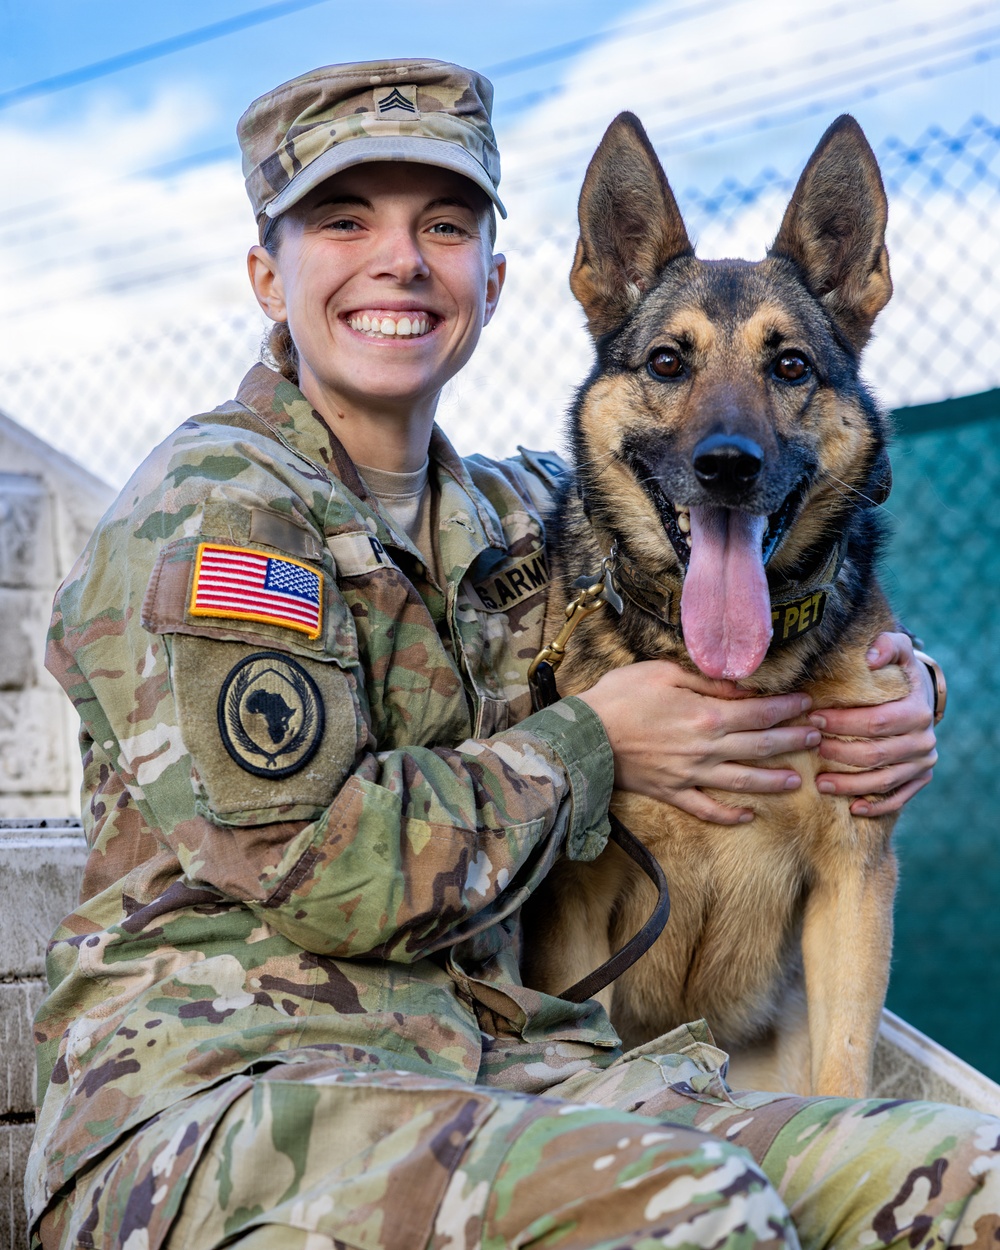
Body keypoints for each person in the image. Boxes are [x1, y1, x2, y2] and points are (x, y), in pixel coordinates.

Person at [28, 58, 992, 1250]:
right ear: (266, 276)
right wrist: (594, 740)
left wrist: (899, 685)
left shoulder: (516, 512)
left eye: (442, 223)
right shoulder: (212, 513)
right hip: (221, 1099)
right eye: (344, 219)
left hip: (499, 1075)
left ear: (494, 276)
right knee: (701, 1206)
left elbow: (755, 572)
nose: (399, 259)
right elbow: (323, 866)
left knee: (968, 1174)